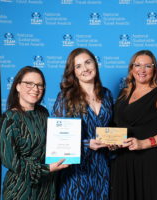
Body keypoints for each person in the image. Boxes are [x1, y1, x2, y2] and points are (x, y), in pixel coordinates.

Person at [110, 50, 157, 200]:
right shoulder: (124, 93)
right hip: (122, 161)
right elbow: (118, 125)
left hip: (148, 161)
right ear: (131, 68)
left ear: (154, 69)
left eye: (147, 66)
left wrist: (143, 143)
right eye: (138, 65)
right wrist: (112, 142)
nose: (142, 70)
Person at [0, 66, 69, 200]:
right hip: (21, 189)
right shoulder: (9, 119)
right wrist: (46, 169)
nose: (35, 89)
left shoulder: (43, 113)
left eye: (39, 85)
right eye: (29, 84)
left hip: (47, 188)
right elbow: (11, 162)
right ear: (17, 86)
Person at [52, 48, 114, 200]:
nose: (85, 69)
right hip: (76, 170)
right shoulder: (65, 97)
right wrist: (87, 144)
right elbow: (57, 139)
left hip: (102, 167)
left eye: (88, 62)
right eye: (78, 66)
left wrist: (113, 142)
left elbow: (110, 127)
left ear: (95, 64)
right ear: (73, 71)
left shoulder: (106, 94)